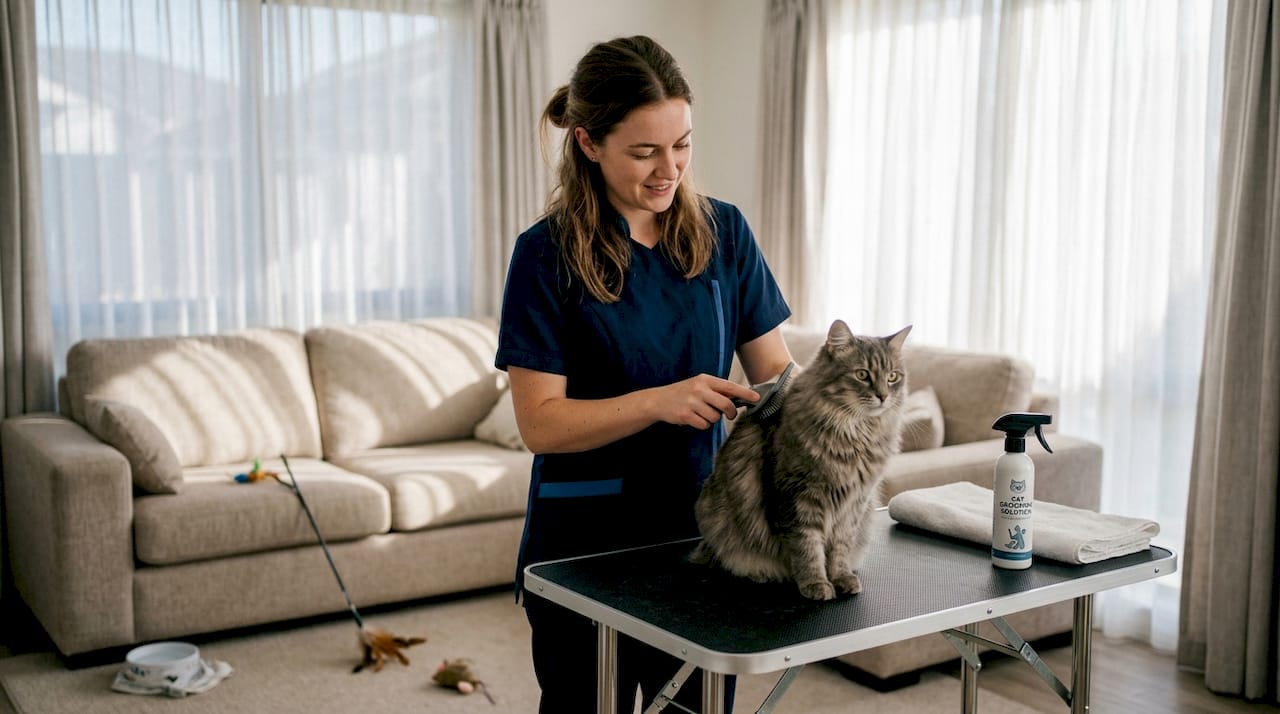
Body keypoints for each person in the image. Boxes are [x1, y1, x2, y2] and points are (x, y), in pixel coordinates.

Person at [495, 34, 794, 712]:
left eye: (681, 144)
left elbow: (775, 373)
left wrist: (826, 409)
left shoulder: (726, 234)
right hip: (585, 550)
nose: (670, 169)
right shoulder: (543, 257)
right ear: (588, 143)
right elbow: (540, 423)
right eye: (644, 151)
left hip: (700, 535)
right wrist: (658, 401)